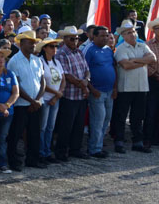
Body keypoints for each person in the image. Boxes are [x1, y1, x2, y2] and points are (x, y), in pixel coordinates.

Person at [111, 20, 156, 153]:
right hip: (125, 87)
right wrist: (143, 62)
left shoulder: (142, 46)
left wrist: (135, 60)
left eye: (134, 32)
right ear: (123, 35)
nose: (133, 34)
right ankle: (119, 141)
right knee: (121, 115)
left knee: (138, 116)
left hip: (141, 86)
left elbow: (153, 59)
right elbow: (125, 65)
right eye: (129, 32)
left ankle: (137, 141)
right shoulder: (120, 49)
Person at [6, 30, 46, 170]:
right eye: (30, 42)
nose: (33, 45)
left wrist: (38, 99)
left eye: (34, 43)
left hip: (36, 103)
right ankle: (14, 161)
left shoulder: (37, 60)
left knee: (35, 132)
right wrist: (31, 100)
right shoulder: (14, 61)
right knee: (16, 134)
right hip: (21, 104)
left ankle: (33, 159)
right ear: (22, 43)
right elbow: (15, 84)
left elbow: (42, 81)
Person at [53, 26, 91, 161]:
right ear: (65, 39)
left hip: (81, 94)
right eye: (72, 38)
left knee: (79, 124)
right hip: (69, 95)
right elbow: (67, 76)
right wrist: (83, 86)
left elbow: (87, 70)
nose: (75, 41)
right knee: (66, 125)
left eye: (77, 38)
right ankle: (61, 151)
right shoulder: (61, 54)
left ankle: (75, 149)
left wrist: (86, 82)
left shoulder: (79, 52)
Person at [84, 27, 116, 158]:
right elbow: (84, 72)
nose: (105, 38)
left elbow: (113, 68)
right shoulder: (89, 50)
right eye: (102, 36)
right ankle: (94, 149)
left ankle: (99, 145)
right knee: (98, 120)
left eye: (106, 36)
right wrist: (92, 89)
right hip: (97, 91)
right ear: (94, 37)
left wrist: (115, 88)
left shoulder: (108, 50)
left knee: (106, 119)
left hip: (109, 91)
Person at [36, 38, 65, 164]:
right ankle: (41, 152)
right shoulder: (40, 62)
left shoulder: (57, 62)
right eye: (51, 46)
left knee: (50, 127)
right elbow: (41, 82)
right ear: (44, 48)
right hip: (45, 98)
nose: (54, 49)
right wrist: (56, 93)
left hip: (55, 99)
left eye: (56, 46)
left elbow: (63, 79)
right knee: (42, 127)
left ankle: (47, 152)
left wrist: (58, 94)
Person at [145, 18, 159, 148]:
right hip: (152, 80)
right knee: (151, 109)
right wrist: (154, 74)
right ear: (153, 30)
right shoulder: (148, 45)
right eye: (157, 28)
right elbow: (145, 64)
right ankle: (147, 138)